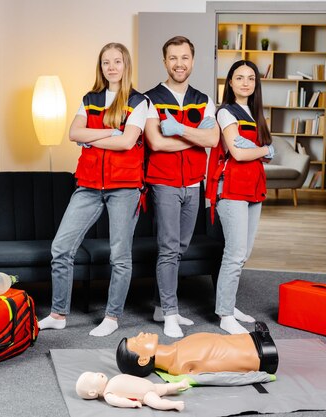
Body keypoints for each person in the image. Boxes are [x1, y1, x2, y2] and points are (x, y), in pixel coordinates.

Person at [38, 43, 148, 337]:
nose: (111, 67)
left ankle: (112, 318)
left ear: (126, 65)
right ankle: (59, 314)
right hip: (88, 184)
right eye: (105, 62)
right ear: (100, 67)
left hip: (124, 187)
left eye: (117, 62)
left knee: (120, 256)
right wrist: (110, 132)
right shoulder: (90, 99)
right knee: (61, 248)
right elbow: (74, 133)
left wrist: (93, 138)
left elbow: (128, 143)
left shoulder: (139, 102)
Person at [143, 35, 220, 338]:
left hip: (193, 183)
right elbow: (156, 143)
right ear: (165, 61)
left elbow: (213, 140)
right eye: (173, 58)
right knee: (168, 248)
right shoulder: (149, 98)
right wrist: (194, 134)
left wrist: (179, 130)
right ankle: (171, 313)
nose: (179, 64)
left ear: (192, 60)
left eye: (184, 57)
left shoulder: (204, 99)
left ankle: (163, 306)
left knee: (181, 247)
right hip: (163, 183)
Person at [206, 60, 274, 335]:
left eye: (251, 78)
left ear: (255, 84)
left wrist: (257, 148)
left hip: (253, 188)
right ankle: (224, 315)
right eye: (239, 77)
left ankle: (229, 304)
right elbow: (238, 153)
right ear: (230, 83)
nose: (245, 82)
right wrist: (265, 150)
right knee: (234, 254)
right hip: (231, 188)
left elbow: (252, 151)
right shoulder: (225, 112)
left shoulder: (255, 113)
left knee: (242, 254)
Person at [116, 321, 278, 377]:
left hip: (253, 339)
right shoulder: (183, 366)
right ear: (143, 359)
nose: (141, 333)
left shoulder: (178, 347)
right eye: (138, 341)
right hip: (262, 353)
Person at [75, 371, 189, 411]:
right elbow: (119, 401)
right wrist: (132, 403)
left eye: (94, 372)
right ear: (92, 392)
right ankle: (173, 405)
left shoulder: (113, 380)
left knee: (165, 387)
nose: (97, 374)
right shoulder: (108, 394)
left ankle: (179, 384)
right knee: (157, 403)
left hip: (150, 386)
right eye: (93, 377)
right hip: (145, 395)